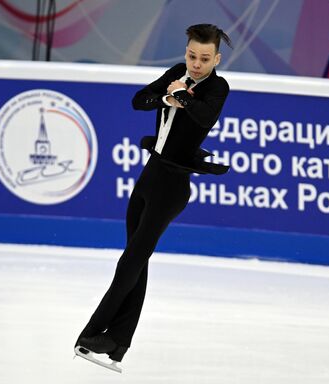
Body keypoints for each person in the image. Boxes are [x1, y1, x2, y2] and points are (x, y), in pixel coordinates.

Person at [74, 24, 233, 371]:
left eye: (204, 59)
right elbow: (139, 100)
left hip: (172, 186)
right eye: (192, 56)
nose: (195, 64)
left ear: (216, 58)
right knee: (137, 262)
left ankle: (92, 333)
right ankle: (117, 344)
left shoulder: (218, 87)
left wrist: (185, 97)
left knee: (129, 262)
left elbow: (206, 115)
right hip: (149, 175)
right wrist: (166, 96)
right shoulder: (178, 73)